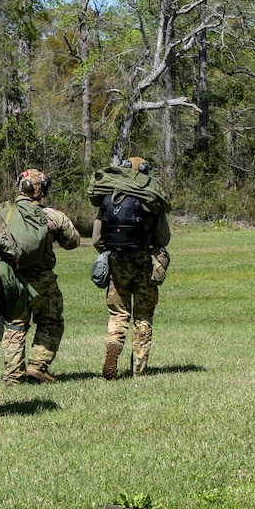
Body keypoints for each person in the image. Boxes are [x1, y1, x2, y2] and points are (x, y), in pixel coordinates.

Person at [90, 155, 171, 379]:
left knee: (118, 313)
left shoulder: (110, 196)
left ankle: (113, 346)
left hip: (117, 262)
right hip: (144, 262)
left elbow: (96, 238)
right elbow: (163, 239)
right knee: (143, 317)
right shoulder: (150, 198)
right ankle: (138, 371)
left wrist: (111, 254)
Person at [0, 169, 82, 385]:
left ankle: (13, 375)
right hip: (42, 279)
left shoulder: (0, 212)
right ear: (41, 190)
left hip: (11, 279)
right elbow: (73, 241)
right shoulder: (51, 216)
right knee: (51, 320)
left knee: (15, 325)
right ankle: (38, 365)